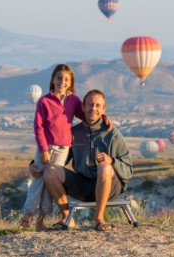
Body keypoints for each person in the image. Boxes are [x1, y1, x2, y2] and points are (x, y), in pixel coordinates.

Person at [20, 65, 111, 231]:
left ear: (71, 83)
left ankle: (40, 221)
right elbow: (38, 128)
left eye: (66, 79)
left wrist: (103, 116)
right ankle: (26, 218)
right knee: (38, 181)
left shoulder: (73, 100)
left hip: (63, 149)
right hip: (46, 147)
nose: (62, 82)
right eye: (59, 78)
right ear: (53, 80)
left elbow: (86, 114)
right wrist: (43, 151)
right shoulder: (44, 101)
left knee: (50, 183)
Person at [44, 89, 133, 231]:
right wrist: (34, 164)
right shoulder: (74, 133)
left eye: (98, 105)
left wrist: (112, 161)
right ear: (83, 107)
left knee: (104, 166)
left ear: (104, 109)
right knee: (51, 172)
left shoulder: (113, 134)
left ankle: (99, 219)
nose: (94, 108)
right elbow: (58, 157)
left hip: (110, 187)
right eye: (90, 104)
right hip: (83, 185)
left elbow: (129, 171)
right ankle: (67, 217)